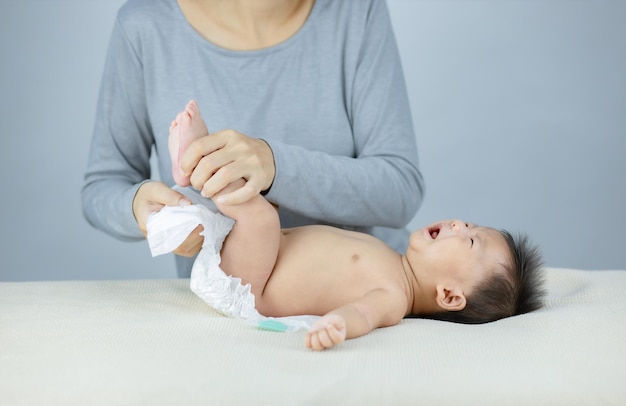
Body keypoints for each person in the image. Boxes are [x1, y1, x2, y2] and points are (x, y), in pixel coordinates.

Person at [82, 0, 425, 278]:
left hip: (366, 297)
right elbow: (104, 185)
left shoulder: (357, 11)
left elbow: (400, 188)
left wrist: (275, 167)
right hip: (232, 313)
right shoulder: (142, 26)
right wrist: (139, 207)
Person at [169, 101, 545, 351]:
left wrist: (338, 326)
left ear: (449, 295)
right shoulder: (388, 257)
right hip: (253, 259)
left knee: (261, 218)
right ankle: (198, 168)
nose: (460, 224)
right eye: (471, 224)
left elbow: (363, 314)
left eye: (471, 240)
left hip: (251, 287)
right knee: (265, 214)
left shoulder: (393, 298)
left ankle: (198, 158)